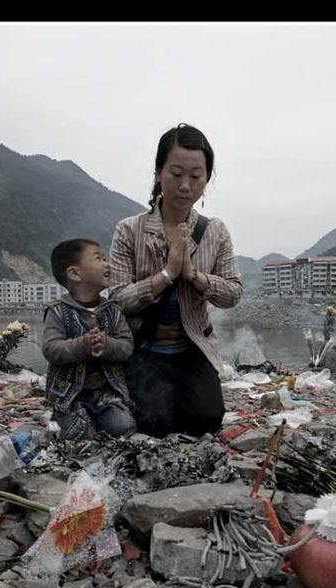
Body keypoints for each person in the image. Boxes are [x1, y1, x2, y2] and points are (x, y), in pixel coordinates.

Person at [108, 124, 242, 437]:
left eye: (196, 176)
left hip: (191, 348)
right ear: (158, 173)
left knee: (206, 419)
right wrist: (165, 275)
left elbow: (233, 293)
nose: (185, 185)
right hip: (142, 347)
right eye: (176, 173)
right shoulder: (129, 230)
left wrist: (194, 276)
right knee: (154, 424)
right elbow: (116, 299)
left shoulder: (215, 231)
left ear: (206, 178)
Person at [42, 239, 136, 440]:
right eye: (99, 259)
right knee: (75, 433)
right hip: (69, 397)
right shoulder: (57, 312)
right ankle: (71, 419)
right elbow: (51, 349)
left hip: (106, 395)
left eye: (105, 258)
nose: (107, 263)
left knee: (124, 426)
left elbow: (127, 346)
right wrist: (83, 344)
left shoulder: (113, 310)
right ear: (75, 273)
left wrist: (107, 345)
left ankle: (100, 418)